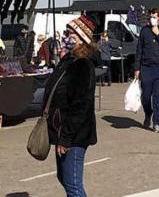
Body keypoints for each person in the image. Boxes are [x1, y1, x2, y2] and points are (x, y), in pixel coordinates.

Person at [43, 14, 97, 197]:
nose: (66, 36)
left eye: (70, 33)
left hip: (74, 135)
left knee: (73, 184)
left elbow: (80, 105)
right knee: (64, 178)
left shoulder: (83, 65)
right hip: (62, 131)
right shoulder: (69, 61)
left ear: (82, 39)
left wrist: (66, 138)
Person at [134, 8, 159, 133]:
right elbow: (139, 50)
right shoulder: (144, 31)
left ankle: (156, 122)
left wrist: (158, 34)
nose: (152, 19)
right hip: (146, 68)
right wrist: (137, 68)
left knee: (157, 96)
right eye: (151, 17)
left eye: (155, 17)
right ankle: (148, 113)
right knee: (145, 96)